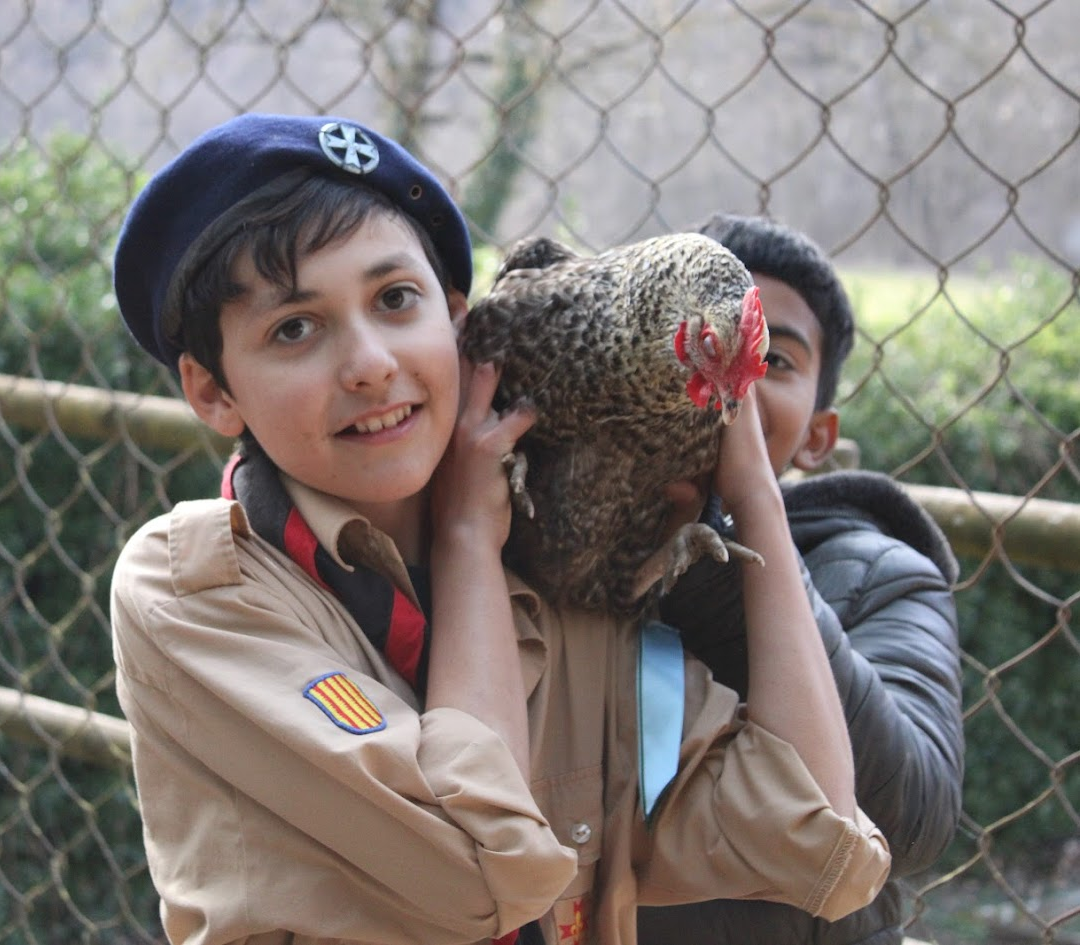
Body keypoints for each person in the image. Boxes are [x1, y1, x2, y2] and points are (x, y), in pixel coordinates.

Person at [107, 114, 890, 945]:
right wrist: (467, 544)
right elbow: (478, 872)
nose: (370, 362)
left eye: (395, 299)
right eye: (294, 327)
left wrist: (754, 496)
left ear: (456, 320)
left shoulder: (559, 580)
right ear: (212, 391)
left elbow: (810, 835)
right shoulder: (196, 589)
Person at [642, 213, 965, 945]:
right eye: (695, 335)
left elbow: (912, 817)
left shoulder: (883, 573)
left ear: (819, 437)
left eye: (775, 359)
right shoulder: (550, 544)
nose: (727, 372)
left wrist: (737, 530)